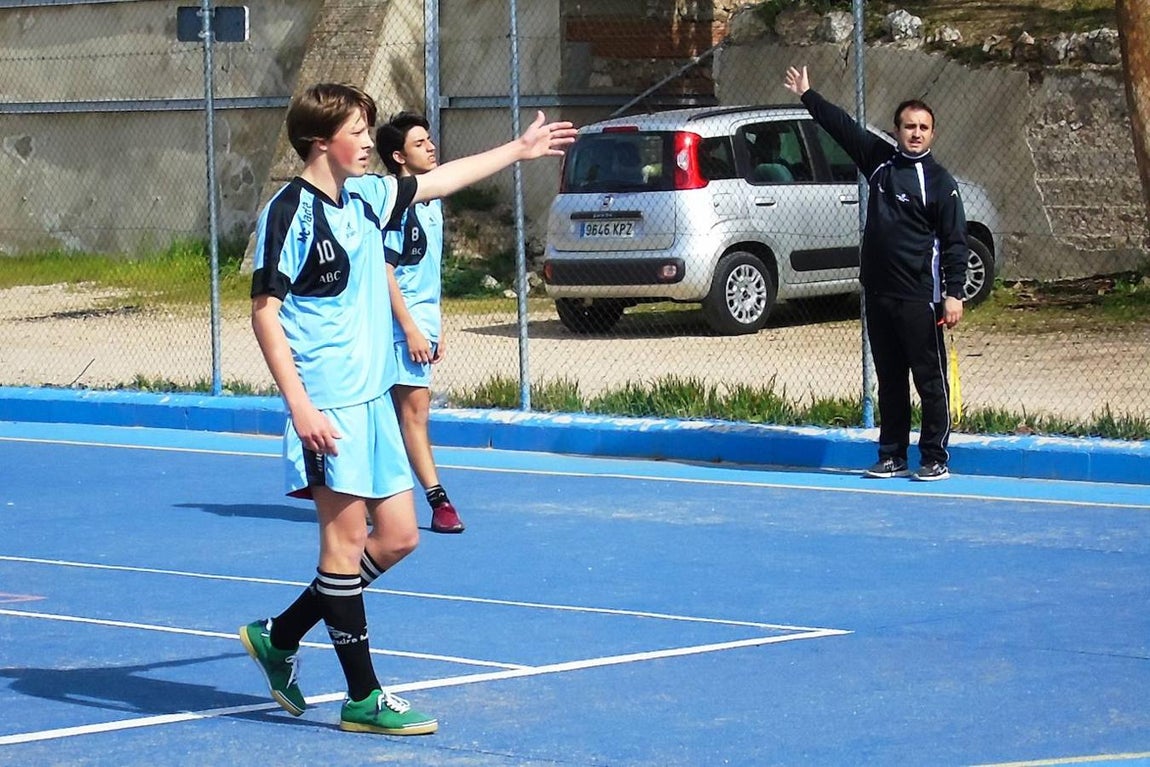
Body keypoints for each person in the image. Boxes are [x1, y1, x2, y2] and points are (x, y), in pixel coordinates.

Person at [239, 83, 574, 735]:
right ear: (320, 141)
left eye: (369, 130)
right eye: (358, 131)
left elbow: (442, 179)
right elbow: (264, 313)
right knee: (341, 546)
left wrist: (519, 149)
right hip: (327, 404)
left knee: (397, 536)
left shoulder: (366, 197)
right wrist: (299, 405)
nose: (370, 142)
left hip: (371, 401)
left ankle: (281, 634)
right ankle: (363, 697)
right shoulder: (289, 211)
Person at [783, 65, 967, 482]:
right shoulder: (879, 161)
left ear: (932, 134)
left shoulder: (940, 182)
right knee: (889, 379)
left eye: (923, 127)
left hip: (920, 296)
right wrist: (808, 95)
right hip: (879, 294)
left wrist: (953, 294)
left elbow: (955, 241)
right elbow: (842, 127)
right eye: (908, 126)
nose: (915, 133)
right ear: (897, 130)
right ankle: (892, 455)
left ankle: (935, 456)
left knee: (929, 378)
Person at [374, 112, 463, 534]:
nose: (431, 147)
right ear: (399, 157)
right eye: (419, 143)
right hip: (396, 324)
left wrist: (434, 326)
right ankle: (438, 500)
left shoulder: (434, 202)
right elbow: (384, 271)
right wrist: (410, 328)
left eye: (430, 140)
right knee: (414, 413)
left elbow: (428, 273)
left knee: (398, 415)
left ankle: (373, 492)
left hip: (419, 322)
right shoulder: (396, 206)